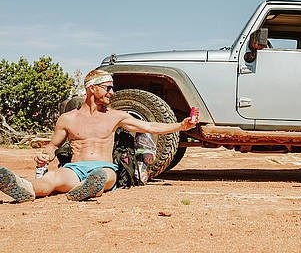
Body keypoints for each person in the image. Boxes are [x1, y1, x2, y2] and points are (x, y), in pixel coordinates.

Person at [0, 69, 198, 203]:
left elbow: (149, 126)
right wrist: (46, 154)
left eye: (112, 88)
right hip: (74, 169)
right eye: (107, 88)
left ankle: (89, 188)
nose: (112, 92)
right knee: (52, 179)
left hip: (104, 168)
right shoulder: (67, 119)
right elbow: (53, 146)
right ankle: (24, 188)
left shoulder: (115, 116)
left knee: (103, 177)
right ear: (91, 88)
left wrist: (181, 125)